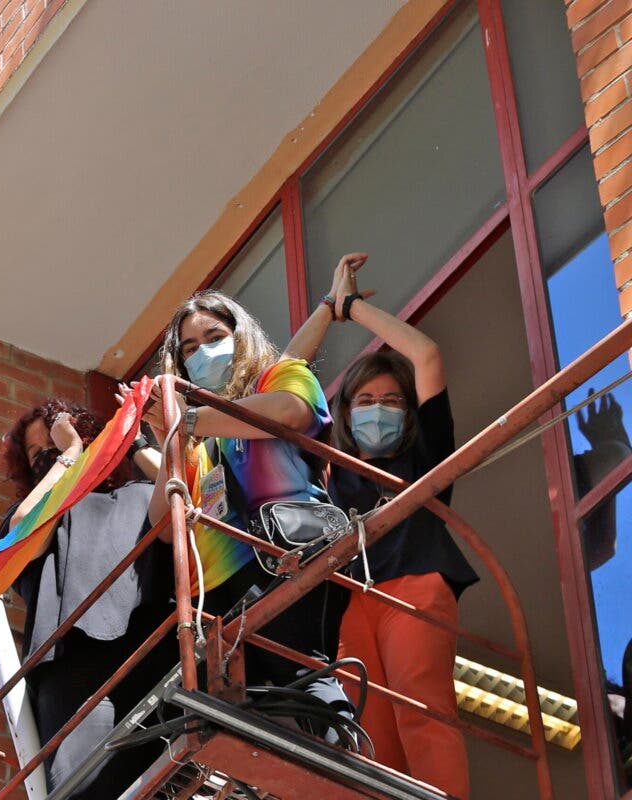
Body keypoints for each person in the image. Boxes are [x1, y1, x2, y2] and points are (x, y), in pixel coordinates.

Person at [284, 252, 479, 798]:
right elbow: (283, 379)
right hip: (352, 604)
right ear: (345, 415)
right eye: (365, 401)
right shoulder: (333, 470)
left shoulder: (426, 457)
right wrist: (325, 308)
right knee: (370, 739)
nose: (378, 409)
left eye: (391, 401)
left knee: (422, 708)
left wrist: (353, 309)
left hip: (416, 584)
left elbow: (426, 353)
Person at [137, 290, 352, 726]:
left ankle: (342, 755)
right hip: (218, 596)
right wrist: (170, 439)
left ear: (241, 336)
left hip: (290, 553)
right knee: (252, 710)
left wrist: (190, 418)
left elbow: (290, 411)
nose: (202, 352)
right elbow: (162, 525)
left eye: (214, 336)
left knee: (303, 676)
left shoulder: (279, 376)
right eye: (190, 349)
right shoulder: (196, 443)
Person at [0, 399, 173, 798]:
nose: (49, 456)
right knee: (84, 786)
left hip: (151, 655)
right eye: (38, 454)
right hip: (74, 667)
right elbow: (25, 533)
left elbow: (185, 499)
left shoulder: (139, 494)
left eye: (56, 444)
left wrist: (132, 442)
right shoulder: (39, 512)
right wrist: (71, 455)